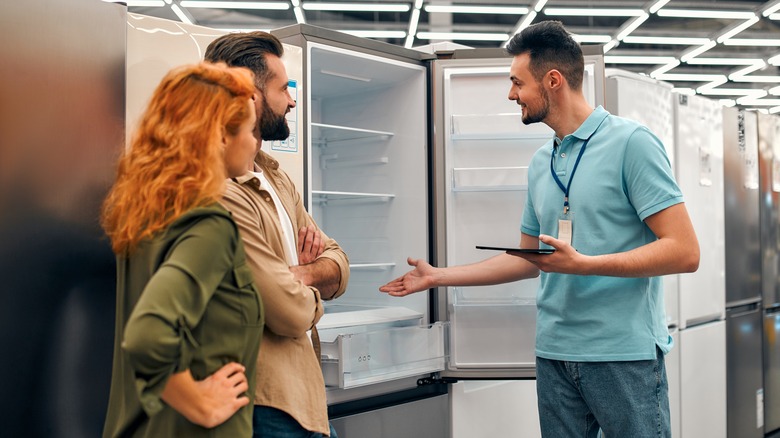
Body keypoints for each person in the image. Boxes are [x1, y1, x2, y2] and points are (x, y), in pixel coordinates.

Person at [380, 20, 699, 438]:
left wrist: (585, 265)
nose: (511, 94)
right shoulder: (541, 162)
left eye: (517, 82)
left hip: (622, 356)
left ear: (552, 81)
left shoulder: (632, 144)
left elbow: (684, 251)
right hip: (555, 355)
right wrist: (439, 276)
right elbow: (529, 260)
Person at [101, 62, 264, 437]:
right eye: (250, 129)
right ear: (221, 136)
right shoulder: (210, 227)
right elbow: (146, 335)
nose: (255, 141)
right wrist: (199, 401)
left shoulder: (145, 218)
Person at [205, 32, 350, 438]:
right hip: (262, 403)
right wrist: (310, 289)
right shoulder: (219, 191)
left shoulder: (274, 175)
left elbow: (340, 261)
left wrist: (299, 276)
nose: (292, 99)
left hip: (305, 395)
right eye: (284, 87)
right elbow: (285, 313)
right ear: (249, 95)